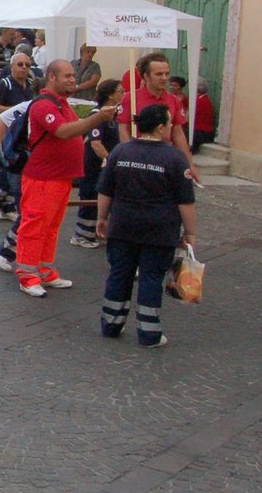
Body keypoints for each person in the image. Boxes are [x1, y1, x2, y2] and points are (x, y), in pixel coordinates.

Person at [11, 60, 118, 298]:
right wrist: (97, 118)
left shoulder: (62, 104)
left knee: (51, 227)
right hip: (42, 177)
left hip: (60, 177)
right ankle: (27, 275)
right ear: (51, 77)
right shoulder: (43, 105)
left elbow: (73, 130)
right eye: (67, 76)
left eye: (72, 76)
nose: (72, 79)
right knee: (35, 225)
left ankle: (45, 270)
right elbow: (63, 131)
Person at [96, 103, 197, 348]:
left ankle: (111, 324)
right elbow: (185, 201)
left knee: (119, 273)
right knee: (152, 277)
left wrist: (102, 218)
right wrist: (190, 232)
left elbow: (105, 191)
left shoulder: (120, 151)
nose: (171, 127)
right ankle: (149, 333)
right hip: (159, 231)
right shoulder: (174, 158)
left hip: (123, 226)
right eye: (170, 123)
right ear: (161, 127)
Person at [116, 52, 200, 183]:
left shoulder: (174, 101)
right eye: (159, 74)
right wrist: (130, 155)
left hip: (164, 156)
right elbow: (123, 129)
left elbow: (178, 134)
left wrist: (189, 163)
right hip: (139, 155)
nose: (164, 78)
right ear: (146, 76)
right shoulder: (130, 98)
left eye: (166, 73)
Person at [71, 78, 124, 249]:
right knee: (90, 196)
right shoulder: (98, 114)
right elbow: (95, 142)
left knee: (103, 197)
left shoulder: (114, 115)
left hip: (105, 165)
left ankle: (95, 231)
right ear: (110, 94)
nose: (123, 94)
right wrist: (110, 160)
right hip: (94, 164)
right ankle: (81, 234)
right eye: (120, 91)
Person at [0, 52, 36, 219]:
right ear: (12, 66)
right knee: (8, 170)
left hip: (21, 136)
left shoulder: (30, 85)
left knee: (12, 170)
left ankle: (6, 205)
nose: (24, 68)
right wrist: (16, 109)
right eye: (20, 64)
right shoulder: (4, 84)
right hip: (5, 134)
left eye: (27, 65)